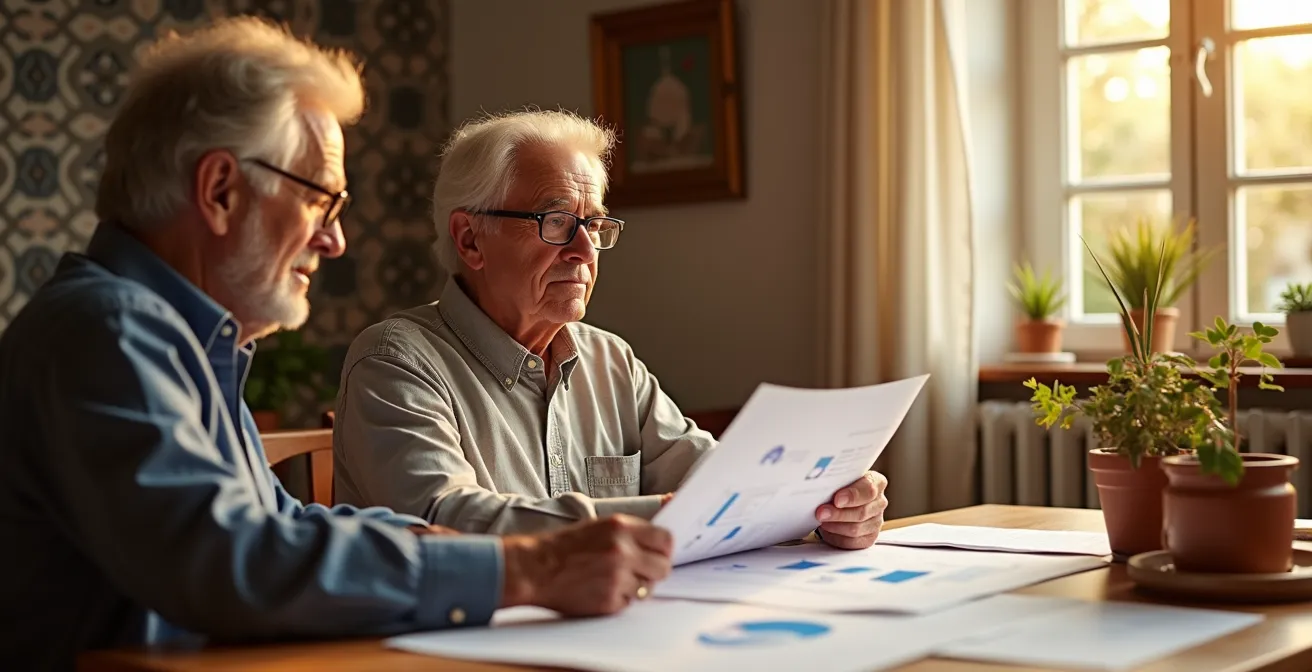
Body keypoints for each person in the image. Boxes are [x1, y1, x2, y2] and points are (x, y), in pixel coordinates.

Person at [0, 19, 671, 671]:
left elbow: (276, 522)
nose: (334, 241)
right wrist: (527, 566)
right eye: (321, 202)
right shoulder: (107, 331)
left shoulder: (182, 341)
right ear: (221, 191)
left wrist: (419, 542)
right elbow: (234, 561)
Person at [332, 109, 890, 546]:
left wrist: (827, 504)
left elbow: (719, 479)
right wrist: (666, 516)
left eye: (594, 224)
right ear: (470, 239)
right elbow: (441, 521)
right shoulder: (395, 362)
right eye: (555, 222)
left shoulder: (611, 362)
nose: (584, 250)